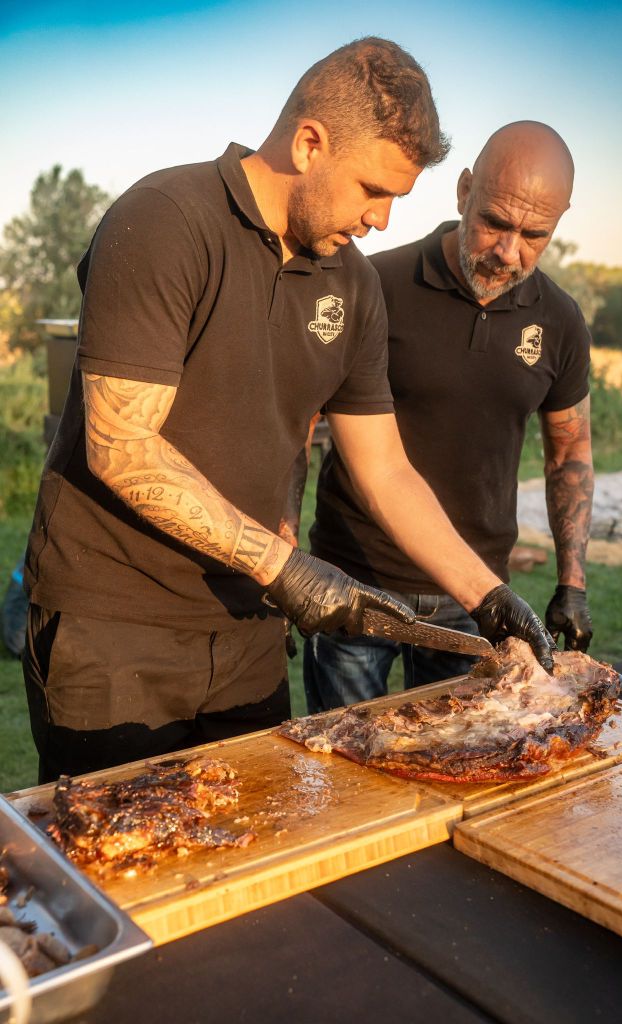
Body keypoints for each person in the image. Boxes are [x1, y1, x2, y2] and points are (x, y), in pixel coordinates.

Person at [23, 43, 554, 783]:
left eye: (396, 197)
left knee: (258, 858)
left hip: (248, 629)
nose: (380, 217)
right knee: (118, 866)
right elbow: (121, 443)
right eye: (371, 187)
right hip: (113, 628)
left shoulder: (354, 284)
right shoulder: (164, 221)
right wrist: (286, 566)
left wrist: (486, 595)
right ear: (309, 143)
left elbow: (386, 469)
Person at [305, 120, 593, 712]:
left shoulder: (561, 321)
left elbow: (570, 454)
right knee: (344, 762)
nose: (508, 250)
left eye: (533, 234)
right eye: (495, 222)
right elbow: (299, 424)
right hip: (357, 579)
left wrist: (573, 583)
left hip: (477, 590)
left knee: (462, 757)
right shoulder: (374, 284)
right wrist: (284, 558)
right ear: (464, 192)